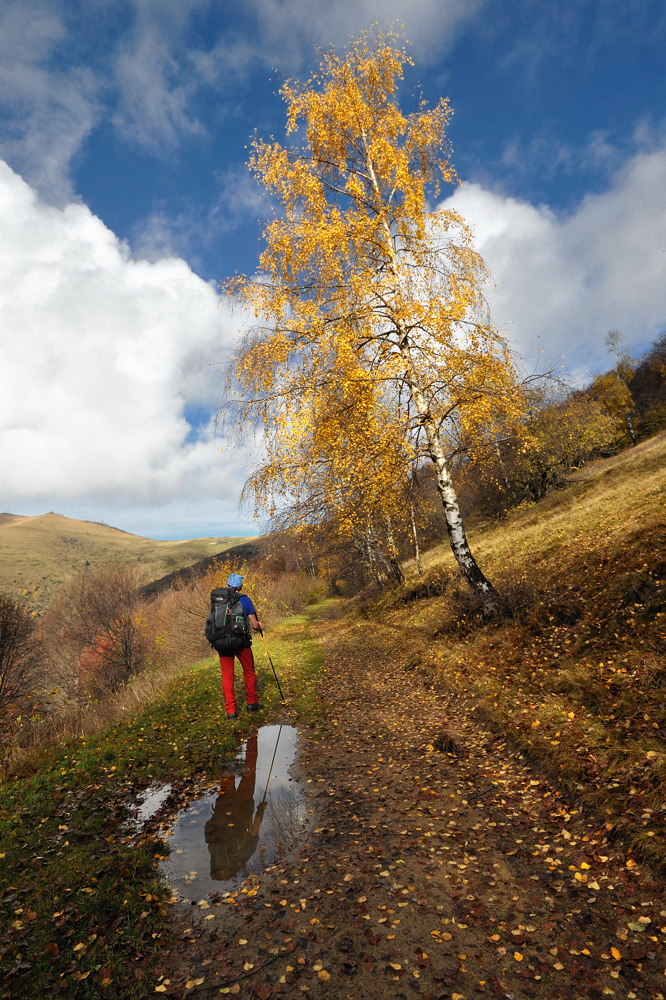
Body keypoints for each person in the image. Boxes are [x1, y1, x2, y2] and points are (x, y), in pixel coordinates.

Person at [216, 572, 264, 720]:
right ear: (240, 587)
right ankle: (252, 703)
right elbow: (255, 625)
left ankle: (231, 712)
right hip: (241, 642)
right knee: (249, 671)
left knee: (227, 676)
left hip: (223, 644)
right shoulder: (245, 600)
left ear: (227, 586)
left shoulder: (218, 600)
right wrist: (259, 626)